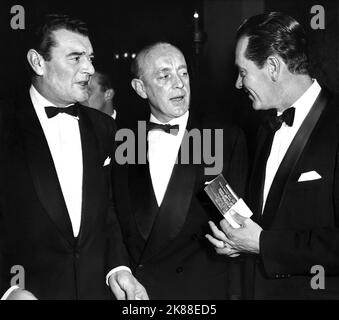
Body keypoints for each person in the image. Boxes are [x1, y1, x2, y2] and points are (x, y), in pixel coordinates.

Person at [0, 14, 148, 300]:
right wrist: (8, 290)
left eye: (90, 58)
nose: (90, 68)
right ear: (37, 62)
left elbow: (110, 210)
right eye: (76, 58)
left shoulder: (105, 127)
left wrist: (118, 268)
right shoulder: (5, 126)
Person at [206, 12, 339, 299]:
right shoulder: (265, 128)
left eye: (243, 72)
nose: (238, 85)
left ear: (274, 67)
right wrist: (239, 242)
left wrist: (263, 244)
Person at [113, 42, 248, 299]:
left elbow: (239, 225)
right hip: (140, 295)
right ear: (140, 88)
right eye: (165, 76)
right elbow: (113, 221)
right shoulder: (124, 140)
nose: (179, 84)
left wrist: (235, 244)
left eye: (183, 73)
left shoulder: (222, 138)